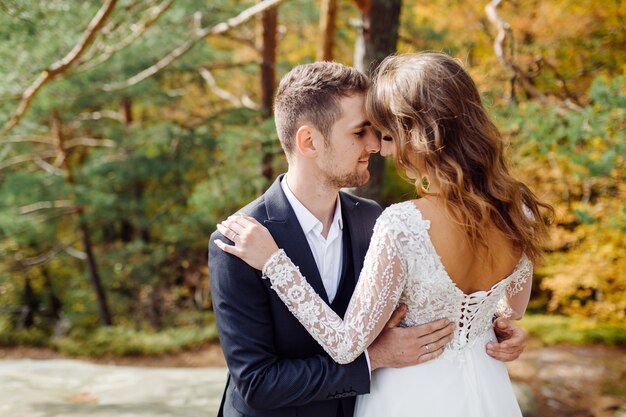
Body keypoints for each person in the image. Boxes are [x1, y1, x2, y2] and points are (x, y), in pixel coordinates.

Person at [216, 53, 550, 417]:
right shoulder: (518, 211)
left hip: (411, 397)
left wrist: (275, 264)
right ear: (309, 142)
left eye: (385, 132)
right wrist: (486, 325)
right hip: (483, 392)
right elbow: (511, 308)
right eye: (363, 132)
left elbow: (348, 343)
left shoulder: (385, 220)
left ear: (420, 133)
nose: (379, 146)